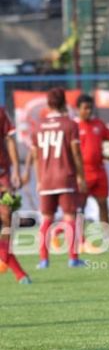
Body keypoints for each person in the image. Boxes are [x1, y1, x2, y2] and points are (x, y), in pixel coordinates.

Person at [28, 88, 88, 269]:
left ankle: (43, 260)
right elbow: (76, 153)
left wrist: (38, 179)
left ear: (48, 104)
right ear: (64, 103)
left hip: (46, 179)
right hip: (65, 177)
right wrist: (81, 176)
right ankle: (73, 258)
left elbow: (36, 156)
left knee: (46, 218)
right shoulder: (69, 124)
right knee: (70, 217)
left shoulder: (37, 126)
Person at [75, 94, 109, 252]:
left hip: (99, 170)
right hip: (83, 172)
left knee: (103, 204)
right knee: (80, 207)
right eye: (85, 108)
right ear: (78, 109)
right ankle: (80, 239)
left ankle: (107, 235)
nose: (89, 110)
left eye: (90, 107)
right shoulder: (75, 126)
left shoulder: (98, 124)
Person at [0, 106, 31, 284]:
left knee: (6, 216)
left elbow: (9, 140)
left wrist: (16, 170)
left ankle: (3, 259)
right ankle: (19, 273)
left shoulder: (1, 112)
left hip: (3, 173)